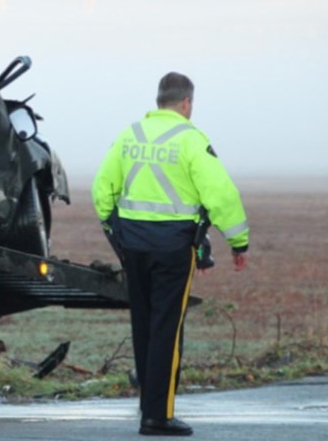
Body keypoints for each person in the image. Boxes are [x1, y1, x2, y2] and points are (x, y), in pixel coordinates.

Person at [92, 72, 250, 437]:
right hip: (174, 248)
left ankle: (150, 402)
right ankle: (158, 416)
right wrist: (238, 242)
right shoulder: (192, 140)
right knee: (167, 328)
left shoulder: (129, 135)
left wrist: (113, 230)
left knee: (144, 326)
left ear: (159, 99)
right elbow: (221, 195)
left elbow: (104, 189)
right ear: (186, 103)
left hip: (132, 244)